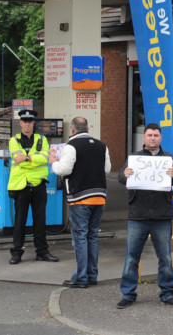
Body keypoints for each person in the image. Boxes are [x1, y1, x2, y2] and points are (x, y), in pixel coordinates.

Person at [116, 123, 173, 308]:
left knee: (166, 258)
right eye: (149, 135)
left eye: (156, 135)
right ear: (144, 138)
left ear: (161, 138)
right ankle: (128, 294)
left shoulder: (169, 158)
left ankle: (167, 294)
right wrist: (125, 173)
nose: (152, 138)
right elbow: (121, 177)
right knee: (131, 257)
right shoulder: (135, 157)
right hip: (138, 214)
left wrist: (172, 174)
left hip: (162, 215)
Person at [50, 117, 111, 288]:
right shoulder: (101, 146)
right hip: (100, 197)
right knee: (92, 237)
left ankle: (82, 277)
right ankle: (92, 275)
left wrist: (54, 163)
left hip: (80, 198)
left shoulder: (71, 146)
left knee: (80, 238)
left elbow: (64, 169)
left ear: (73, 130)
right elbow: (106, 169)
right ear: (88, 128)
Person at [7, 109, 59, 265]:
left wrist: (27, 158)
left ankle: (42, 252)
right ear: (21, 123)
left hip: (38, 185)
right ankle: (17, 253)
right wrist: (34, 160)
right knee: (20, 221)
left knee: (40, 220)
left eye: (30, 121)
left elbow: (44, 157)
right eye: (25, 121)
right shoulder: (13, 140)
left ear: (34, 123)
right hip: (21, 186)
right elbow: (17, 158)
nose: (27, 124)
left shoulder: (42, 139)